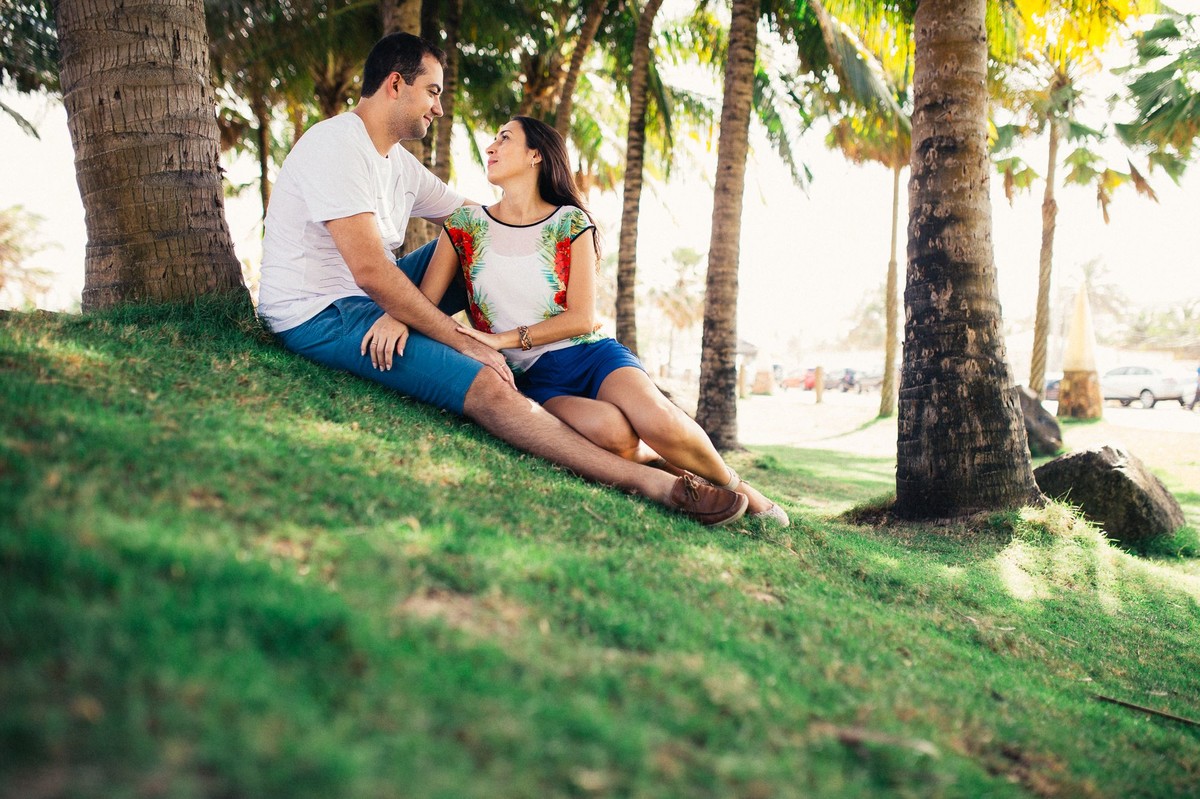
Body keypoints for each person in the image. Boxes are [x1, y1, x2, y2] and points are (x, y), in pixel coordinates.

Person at [257, 33, 747, 526]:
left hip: (367, 297)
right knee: (487, 388)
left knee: (468, 238)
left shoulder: (398, 165)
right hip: (321, 312)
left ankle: (532, 358)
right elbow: (369, 270)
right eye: (432, 91)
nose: (439, 107)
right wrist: (469, 344)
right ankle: (656, 483)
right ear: (395, 83)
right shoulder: (336, 144)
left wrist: (551, 227)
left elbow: (480, 217)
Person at [363, 116, 789, 526]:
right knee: (613, 435)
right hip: (533, 378)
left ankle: (740, 489)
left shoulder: (570, 222)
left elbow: (581, 318)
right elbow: (426, 302)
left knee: (656, 418)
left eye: (505, 138)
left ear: (536, 156)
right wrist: (394, 317)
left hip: (589, 355)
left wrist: (504, 338)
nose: (490, 147)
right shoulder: (464, 226)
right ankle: (664, 463)